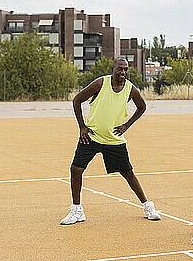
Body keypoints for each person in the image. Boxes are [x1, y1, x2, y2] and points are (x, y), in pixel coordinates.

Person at [60, 57, 161, 225]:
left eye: (126, 69)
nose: (123, 72)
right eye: (120, 69)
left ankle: (147, 207)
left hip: (114, 139)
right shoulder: (101, 83)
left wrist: (127, 125)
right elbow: (77, 100)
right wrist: (82, 127)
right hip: (91, 136)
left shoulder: (130, 89)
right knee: (76, 169)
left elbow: (142, 107)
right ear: (113, 69)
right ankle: (77, 210)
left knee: (128, 173)